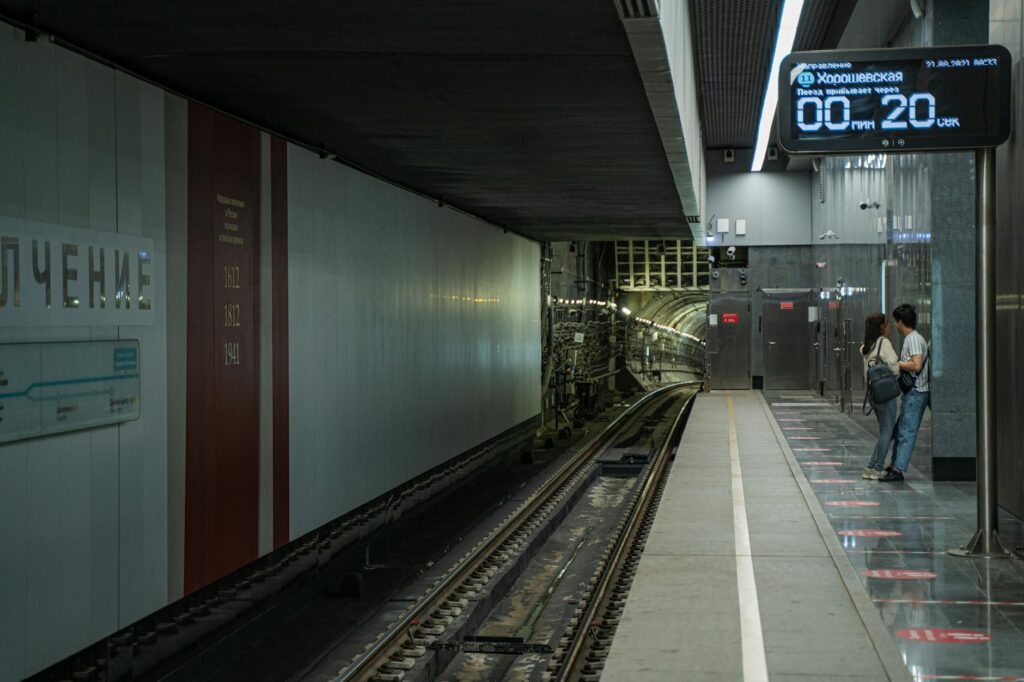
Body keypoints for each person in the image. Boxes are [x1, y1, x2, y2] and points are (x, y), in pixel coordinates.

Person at [879, 304, 930, 482]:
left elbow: (916, 365)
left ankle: (898, 469)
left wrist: (896, 363)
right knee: (901, 429)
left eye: (896, 322)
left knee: (906, 431)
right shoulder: (912, 338)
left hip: (916, 391)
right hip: (913, 392)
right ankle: (895, 465)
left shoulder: (913, 339)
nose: (895, 325)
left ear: (901, 322)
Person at [860, 313, 899, 480]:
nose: (889, 327)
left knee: (884, 430)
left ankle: (871, 466)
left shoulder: (866, 346)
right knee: (887, 431)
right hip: (885, 394)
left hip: (873, 393)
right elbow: (895, 368)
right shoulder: (884, 343)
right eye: (887, 324)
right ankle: (877, 468)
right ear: (881, 327)